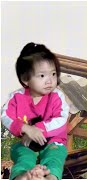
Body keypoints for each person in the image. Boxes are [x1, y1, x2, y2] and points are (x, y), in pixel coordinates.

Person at [1, 42, 70, 180]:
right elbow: (5, 116)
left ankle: (49, 176)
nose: (49, 80)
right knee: (23, 157)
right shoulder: (16, 97)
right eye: (42, 76)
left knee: (54, 158)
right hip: (27, 143)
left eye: (53, 74)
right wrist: (25, 128)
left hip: (53, 142)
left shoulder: (57, 96)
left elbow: (61, 119)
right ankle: (22, 176)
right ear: (25, 79)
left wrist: (38, 128)